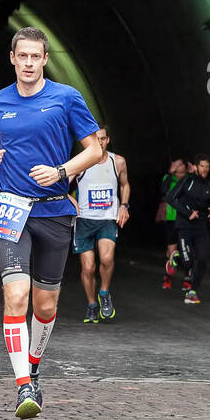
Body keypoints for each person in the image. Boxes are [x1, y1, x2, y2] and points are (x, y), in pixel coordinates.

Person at [0, 26, 102, 420]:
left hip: (55, 211)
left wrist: (62, 170)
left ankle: (35, 364)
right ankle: (23, 385)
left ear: (45, 59)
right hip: (11, 210)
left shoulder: (66, 98)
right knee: (16, 295)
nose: (28, 63)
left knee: (45, 305)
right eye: (21, 56)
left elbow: (95, 149)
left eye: (35, 57)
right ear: (12, 58)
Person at [71, 126, 129, 322]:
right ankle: (91, 304)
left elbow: (124, 184)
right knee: (88, 268)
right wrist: (67, 199)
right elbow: (63, 182)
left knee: (106, 258)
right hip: (84, 220)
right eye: (96, 139)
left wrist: (124, 206)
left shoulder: (118, 161)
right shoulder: (80, 163)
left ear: (108, 140)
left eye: (103, 139)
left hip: (107, 219)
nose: (100, 142)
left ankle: (103, 293)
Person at [165, 153, 210, 304]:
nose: (205, 169)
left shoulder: (209, 185)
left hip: (201, 227)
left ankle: (192, 291)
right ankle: (176, 258)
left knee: (203, 259)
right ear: (195, 167)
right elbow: (170, 197)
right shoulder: (187, 181)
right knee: (188, 262)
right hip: (185, 226)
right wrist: (187, 213)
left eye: (207, 167)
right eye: (202, 166)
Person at [156, 158, 185, 290]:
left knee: (186, 251)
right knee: (171, 252)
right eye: (177, 173)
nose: (179, 175)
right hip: (171, 219)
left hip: (185, 219)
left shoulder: (188, 180)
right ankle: (168, 277)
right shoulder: (168, 179)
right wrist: (170, 172)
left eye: (182, 173)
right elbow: (163, 190)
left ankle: (188, 278)